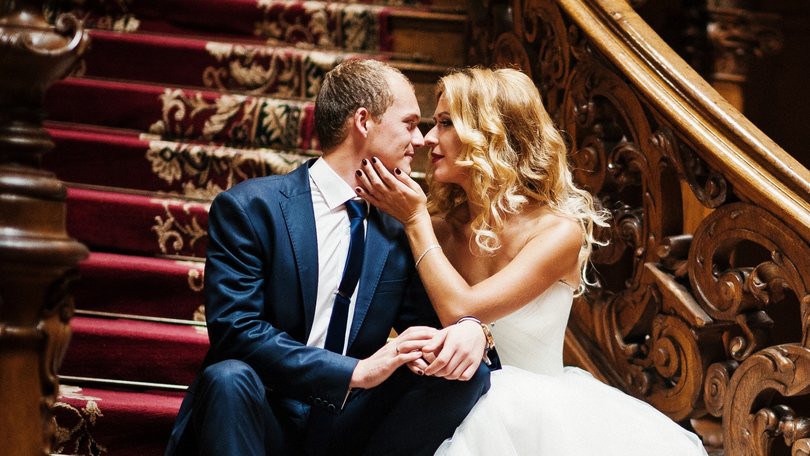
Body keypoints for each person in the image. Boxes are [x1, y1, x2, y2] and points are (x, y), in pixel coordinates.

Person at [355, 67, 709, 455]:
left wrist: (414, 219)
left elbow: (462, 311)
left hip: (540, 424)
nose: (427, 138)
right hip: (446, 406)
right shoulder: (437, 228)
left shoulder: (557, 231)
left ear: (490, 133)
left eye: (446, 123)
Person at [164, 59, 494, 456]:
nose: (421, 139)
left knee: (465, 375)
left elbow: (430, 327)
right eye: (409, 124)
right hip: (262, 409)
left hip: (346, 424)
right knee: (228, 377)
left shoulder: (398, 227)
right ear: (363, 121)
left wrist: (474, 331)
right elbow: (236, 331)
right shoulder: (251, 208)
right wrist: (355, 371)